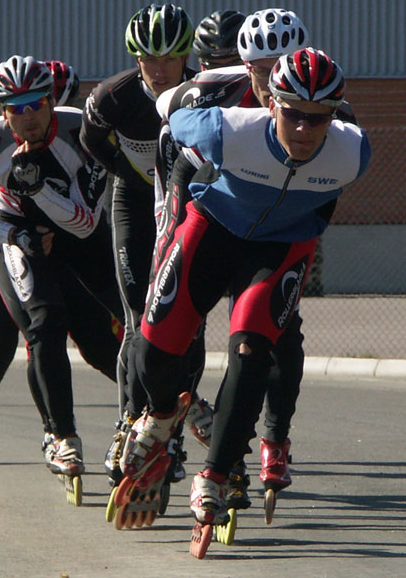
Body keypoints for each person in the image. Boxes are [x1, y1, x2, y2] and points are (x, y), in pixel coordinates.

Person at [119, 47, 371, 537]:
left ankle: (213, 474)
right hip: (211, 230)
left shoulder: (353, 151)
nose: (303, 129)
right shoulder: (226, 128)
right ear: (271, 104)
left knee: (252, 353)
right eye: (293, 114)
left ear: (333, 116)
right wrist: (171, 214)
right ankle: (167, 410)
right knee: (152, 351)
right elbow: (165, 109)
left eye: (317, 119)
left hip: (277, 249)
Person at [0, 55, 124, 480]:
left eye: (35, 105)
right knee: (45, 322)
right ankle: (61, 436)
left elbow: (84, 224)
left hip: (73, 229)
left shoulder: (83, 132)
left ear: (49, 101)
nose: (27, 117)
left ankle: (159, 408)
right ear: (3, 111)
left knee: (109, 331)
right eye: (16, 108)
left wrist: (40, 190)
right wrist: (13, 235)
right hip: (14, 231)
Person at [79, 3, 199, 487]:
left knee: (186, 318)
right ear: (135, 57)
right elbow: (92, 140)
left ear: (186, 56)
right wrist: (130, 174)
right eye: (148, 58)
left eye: (170, 58)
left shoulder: (200, 92)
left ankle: (170, 436)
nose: (159, 68)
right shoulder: (114, 95)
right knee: (135, 318)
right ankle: (128, 425)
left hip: (184, 202)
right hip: (132, 197)